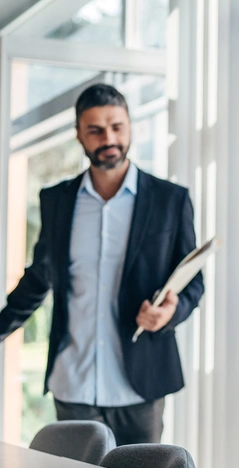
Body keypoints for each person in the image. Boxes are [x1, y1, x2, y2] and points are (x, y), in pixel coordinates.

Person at [0, 84, 203, 445]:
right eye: (95, 130)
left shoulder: (170, 200)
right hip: (72, 383)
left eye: (116, 127)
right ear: (79, 134)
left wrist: (170, 312)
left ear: (130, 127)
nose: (108, 138)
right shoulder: (56, 200)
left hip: (139, 385)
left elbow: (192, 282)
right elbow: (39, 278)